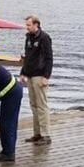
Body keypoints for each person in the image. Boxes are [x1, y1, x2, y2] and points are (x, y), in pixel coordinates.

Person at [19, 15, 53, 145]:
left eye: (29, 25)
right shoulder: (28, 37)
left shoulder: (44, 38)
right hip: (30, 74)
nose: (26, 28)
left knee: (42, 105)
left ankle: (46, 134)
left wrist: (46, 76)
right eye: (26, 25)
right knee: (33, 105)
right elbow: (28, 56)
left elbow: (49, 58)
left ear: (36, 25)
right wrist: (23, 72)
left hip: (40, 75)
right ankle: (37, 133)